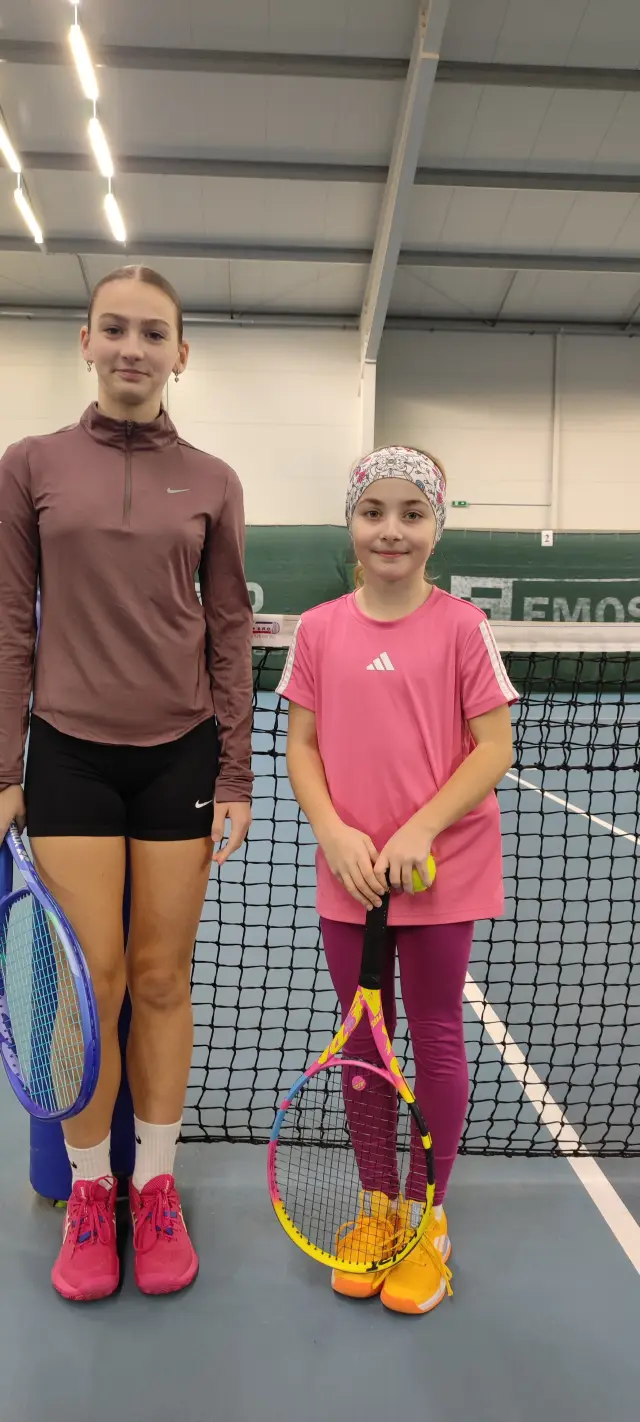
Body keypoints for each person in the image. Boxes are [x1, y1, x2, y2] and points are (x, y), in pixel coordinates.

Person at [0, 265, 254, 1302]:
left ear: (180, 354)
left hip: (179, 756)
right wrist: (4, 766)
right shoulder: (30, 465)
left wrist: (234, 771)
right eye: (115, 328)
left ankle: (154, 1186)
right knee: (90, 983)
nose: (132, 348)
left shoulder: (215, 480)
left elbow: (229, 627)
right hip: (66, 753)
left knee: (159, 980)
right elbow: (10, 620)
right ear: (86, 341)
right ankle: (91, 1191)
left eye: (153, 333)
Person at [278, 446, 516, 1316]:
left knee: (437, 1033)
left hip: (441, 870)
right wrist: (334, 832)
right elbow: (302, 746)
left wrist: (421, 827)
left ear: (436, 528)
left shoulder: (462, 627)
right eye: (373, 511)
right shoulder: (318, 629)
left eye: (412, 514)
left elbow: (494, 747)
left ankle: (427, 1217)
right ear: (350, 522)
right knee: (363, 1047)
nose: (391, 530)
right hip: (352, 876)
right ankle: (377, 1205)